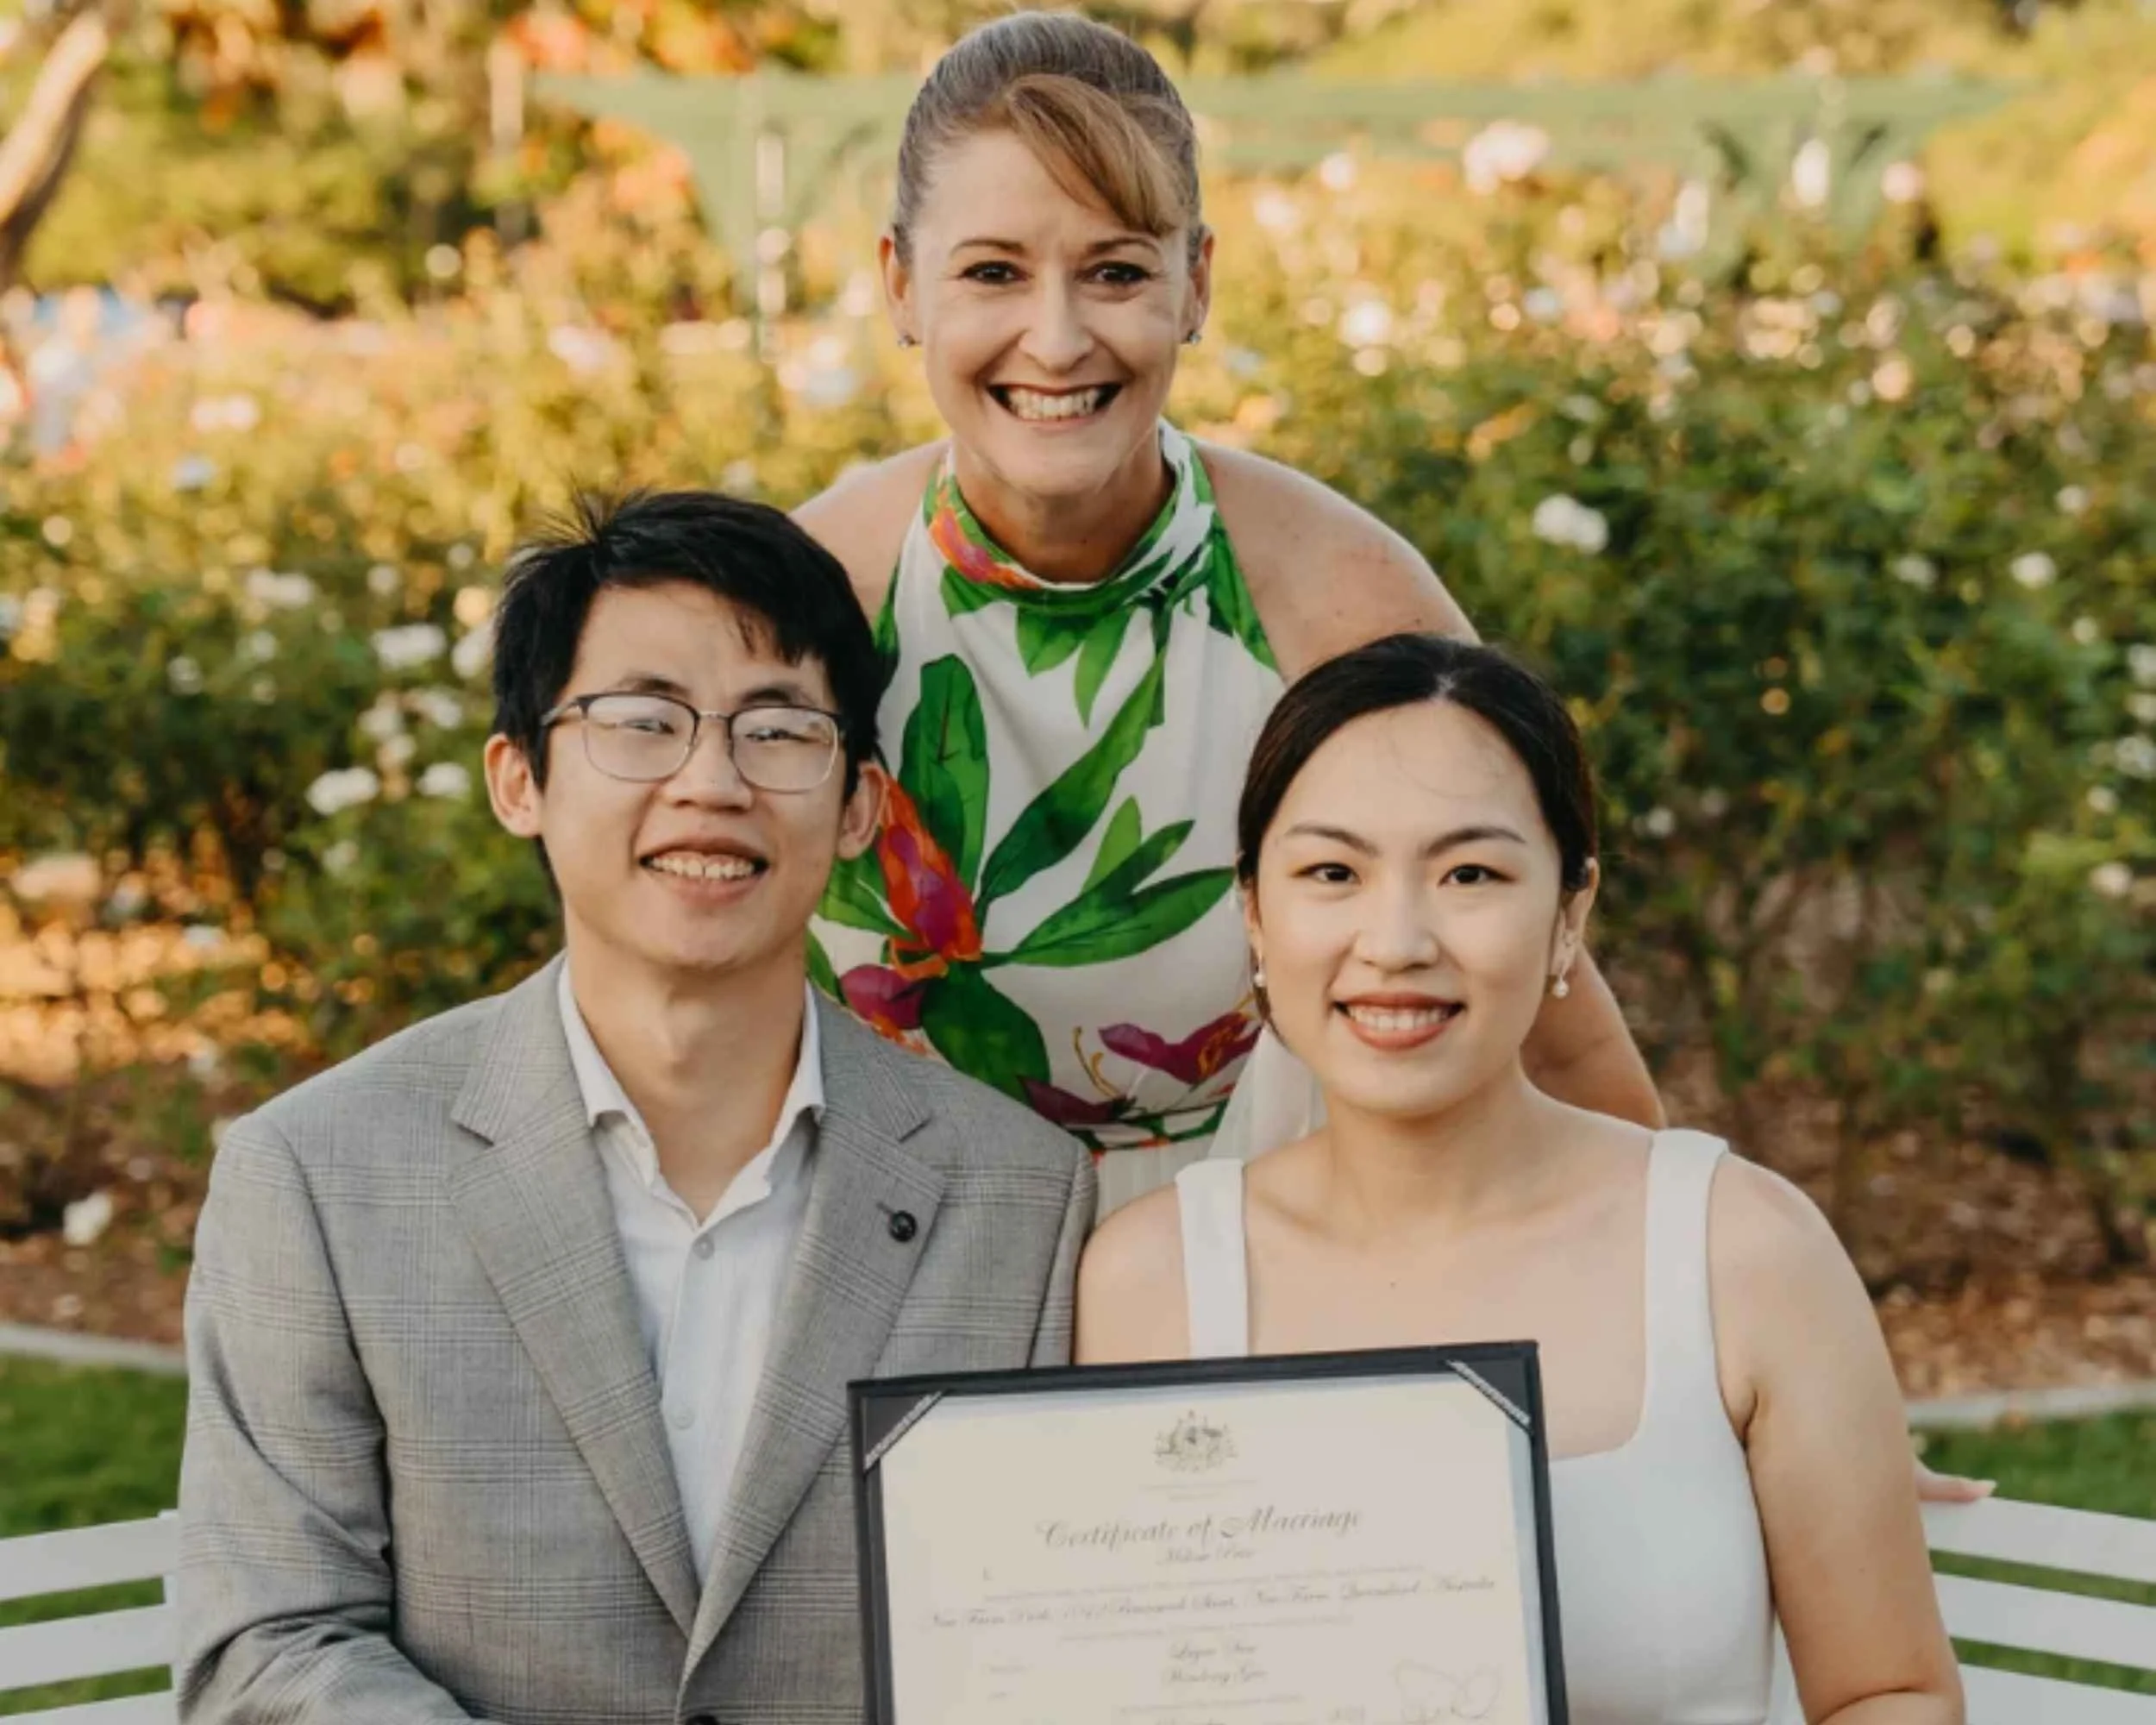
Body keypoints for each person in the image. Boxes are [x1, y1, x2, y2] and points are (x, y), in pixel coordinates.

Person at [177, 492, 1094, 1723]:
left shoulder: (1021, 1195)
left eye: (778, 731)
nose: (710, 782)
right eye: (644, 722)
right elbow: (270, 1642)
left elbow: (1046, 1637)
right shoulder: (318, 1177)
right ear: (521, 780)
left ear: (861, 807)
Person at [796, 10, 1661, 1214]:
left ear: (1194, 283)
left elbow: (1538, 988)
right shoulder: (814, 598)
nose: (1056, 338)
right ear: (901, 284)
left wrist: (1673, 1274)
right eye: (994, 272)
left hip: (1273, 1239)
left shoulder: (1333, 594)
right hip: (898, 1243)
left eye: (1116, 271)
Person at [1075, 634, 1965, 1725]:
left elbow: (1892, 1691)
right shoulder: (1150, 1281)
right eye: (1332, 873)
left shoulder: (1741, 1249)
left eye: (1470, 874)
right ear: (1256, 913)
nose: (1394, 941)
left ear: (1569, 915)